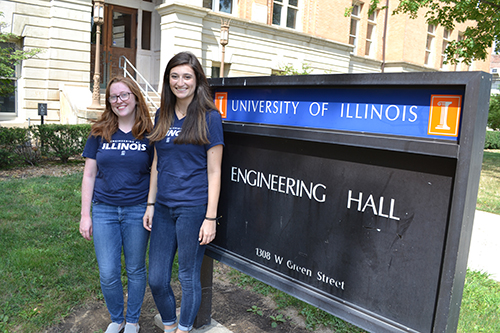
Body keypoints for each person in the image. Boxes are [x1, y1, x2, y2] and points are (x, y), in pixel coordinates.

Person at [143, 51, 224, 333]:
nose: (181, 82)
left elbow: (215, 171)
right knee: (156, 278)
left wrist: (210, 218)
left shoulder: (209, 117)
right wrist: (151, 204)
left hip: (193, 209)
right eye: (175, 76)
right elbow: (156, 163)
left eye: (187, 76)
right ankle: (169, 324)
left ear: (197, 80)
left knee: (188, 276)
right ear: (168, 80)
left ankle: (185, 327)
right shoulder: (161, 114)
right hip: (163, 208)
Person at [80, 76, 154, 333]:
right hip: (104, 210)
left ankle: (132, 320)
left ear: (135, 97)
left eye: (124, 95)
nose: (119, 101)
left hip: (137, 210)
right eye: (113, 96)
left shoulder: (150, 134)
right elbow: (89, 174)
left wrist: (150, 207)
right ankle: (117, 318)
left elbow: (156, 173)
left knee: (135, 268)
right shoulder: (99, 132)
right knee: (108, 271)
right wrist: (85, 215)